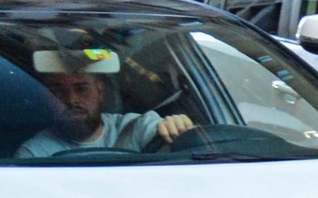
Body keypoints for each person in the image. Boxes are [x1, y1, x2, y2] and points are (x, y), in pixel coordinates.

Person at [14, 48, 194, 158]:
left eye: (82, 88)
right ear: (48, 98)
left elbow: (160, 131)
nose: (71, 99)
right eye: (58, 91)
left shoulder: (133, 127)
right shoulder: (35, 154)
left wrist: (178, 129)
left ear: (100, 92)